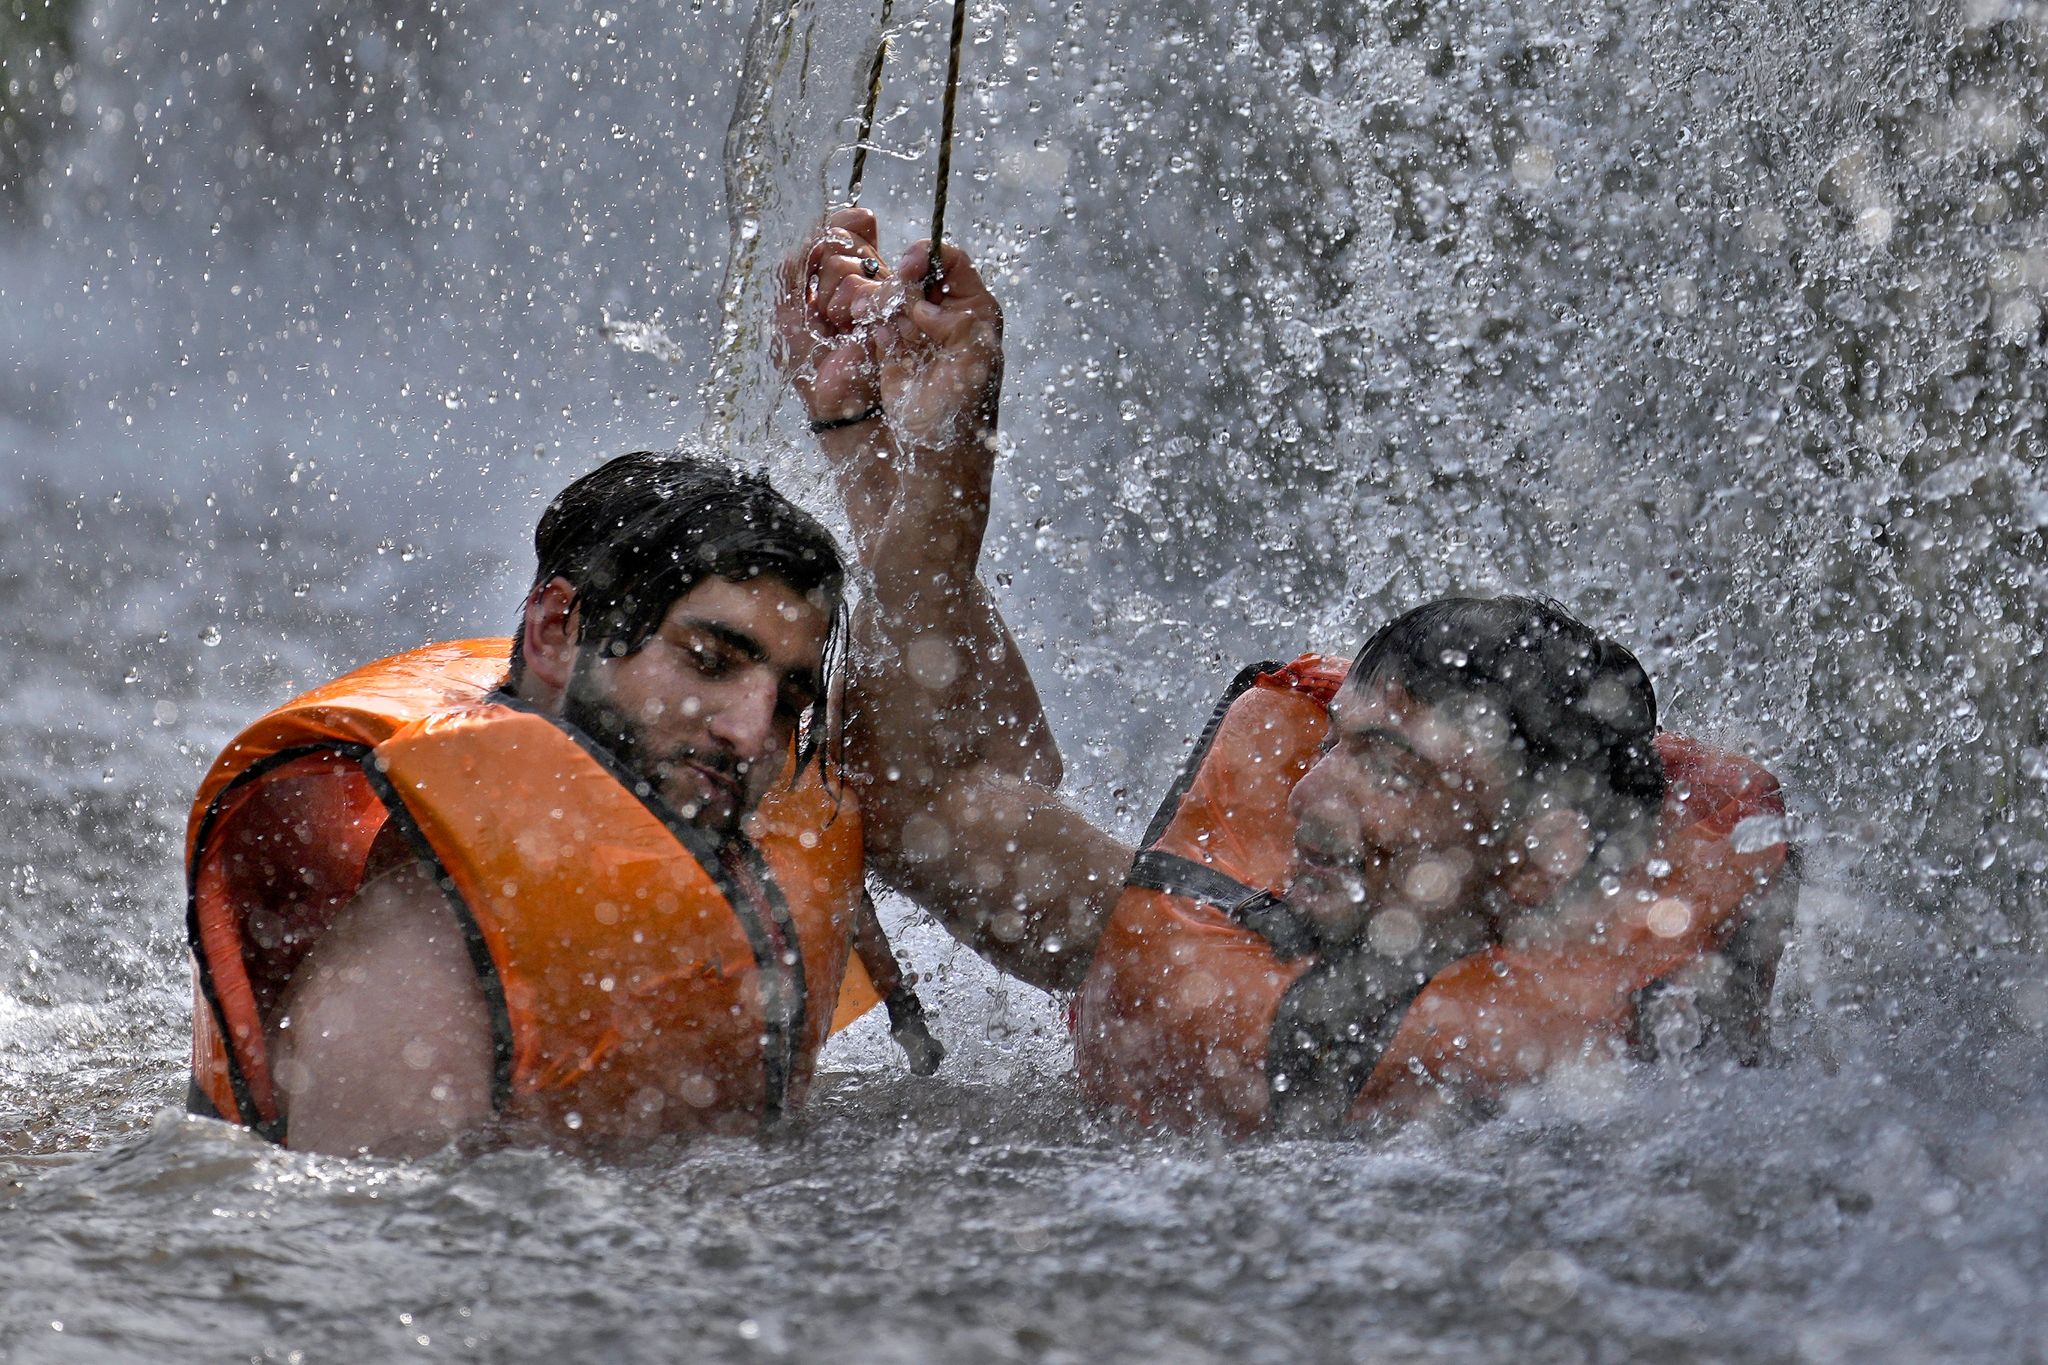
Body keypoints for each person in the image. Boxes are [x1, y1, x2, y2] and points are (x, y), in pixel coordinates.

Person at [777, 213, 1795, 1134]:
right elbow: (924, 795)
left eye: (1393, 769)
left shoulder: (1594, 1075)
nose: (1311, 792)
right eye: (1337, 743)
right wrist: (919, 460)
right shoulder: (1226, 930)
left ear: (1545, 856)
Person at [190, 454, 869, 1156]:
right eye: (707, 660)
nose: (752, 732)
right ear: (556, 629)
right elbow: (355, 1250)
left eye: (788, 702)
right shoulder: (417, 964)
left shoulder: (683, 887)